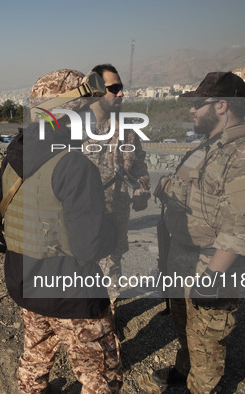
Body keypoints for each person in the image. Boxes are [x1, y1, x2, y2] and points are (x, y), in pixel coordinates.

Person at [0, 69, 123, 393]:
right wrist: (113, 228)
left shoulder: (14, 157)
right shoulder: (75, 167)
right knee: (102, 379)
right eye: (87, 109)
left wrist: (25, 247)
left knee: (34, 359)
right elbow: (88, 249)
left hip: (25, 284)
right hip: (72, 295)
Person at [152, 72, 245, 393]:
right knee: (185, 329)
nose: (191, 111)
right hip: (183, 258)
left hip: (210, 266)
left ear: (222, 105)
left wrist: (211, 276)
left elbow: (242, 226)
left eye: (198, 104)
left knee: (207, 342)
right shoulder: (213, 146)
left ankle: (201, 387)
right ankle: (184, 369)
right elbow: (197, 189)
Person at [86, 64, 151, 300]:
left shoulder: (128, 130)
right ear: (95, 90)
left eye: (121, 87)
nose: (121, 93)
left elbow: (139, 163)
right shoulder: (74, 130)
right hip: (82, 220)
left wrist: (142, 187)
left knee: (111, 271)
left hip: (116, 218)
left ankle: (110, 317)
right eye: (114, 88)